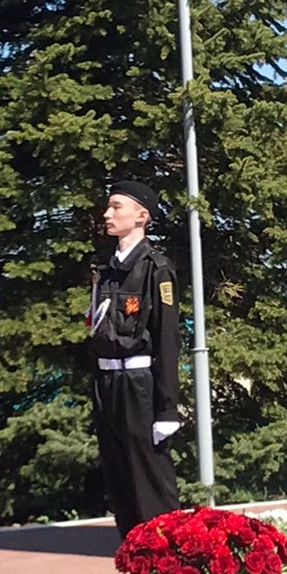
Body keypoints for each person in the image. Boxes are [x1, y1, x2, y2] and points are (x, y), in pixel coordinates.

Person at [90, 181, 180, 540]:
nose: (107, 214)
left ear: (142, 216)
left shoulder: (156, 269)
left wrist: (168, 408)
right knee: (120, 483)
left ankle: (168, 564)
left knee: (150, 484)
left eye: (116, 207)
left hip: (139, 386)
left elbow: (167, 340)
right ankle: (136, 563)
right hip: (107, 384)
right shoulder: (105, 270)